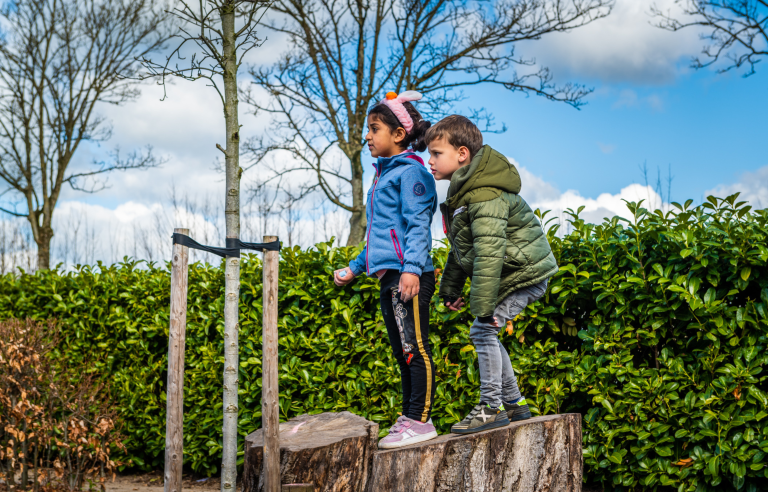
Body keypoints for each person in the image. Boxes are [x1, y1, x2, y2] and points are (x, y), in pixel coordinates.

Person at [425, 115, 558, 434]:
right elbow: (462, 249)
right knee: (484, 331)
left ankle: (491, 407)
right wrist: (451, 289)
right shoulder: (465, 194)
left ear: (462, 154)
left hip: (524, 273)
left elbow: (488, 252)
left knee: (483, 330)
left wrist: (482, 307)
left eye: (436, 153)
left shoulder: (484, 194)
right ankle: (514, 404)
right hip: (512, 272)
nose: (430, 161)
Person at [333, 91, 439, 449]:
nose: (367, 136)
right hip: (391, 275)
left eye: (374, 128)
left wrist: (412, 269)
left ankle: (420, 421)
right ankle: (409, 417)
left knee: (415, 348)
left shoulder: (411, 173)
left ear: (398, 134)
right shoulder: (383, 176)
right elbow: (379, 238)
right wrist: (354, 268)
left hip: (409, 276)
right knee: (402, 352)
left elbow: (418, 226)